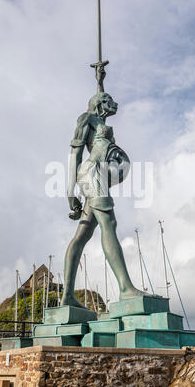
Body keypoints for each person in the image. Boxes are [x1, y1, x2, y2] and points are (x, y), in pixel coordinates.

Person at [60, 92, 148, 309]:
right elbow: (75, 154)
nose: (114, 104)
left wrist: (100, 78)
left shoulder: (100, 120)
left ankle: (68, 296)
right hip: (93, 173)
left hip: (100, 175)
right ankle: (126, 288)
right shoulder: (86, 118)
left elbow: (100, 96)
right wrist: (70, 191)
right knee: (109, 224)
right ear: (100, 103)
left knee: (82, 235)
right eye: (109, 100)